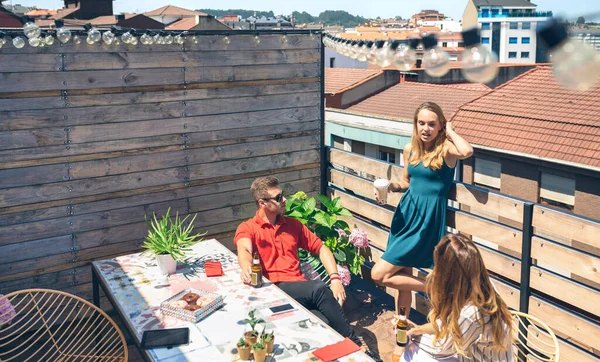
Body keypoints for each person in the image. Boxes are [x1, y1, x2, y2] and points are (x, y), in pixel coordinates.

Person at [234, 176, 382, 362]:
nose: (285, 200)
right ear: (262, 203)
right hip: (275, 290)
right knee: (319, 289)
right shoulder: (248, 227)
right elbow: (244, 249)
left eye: (283, 195)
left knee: (325, 322)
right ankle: (356, 346)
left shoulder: (293, 225)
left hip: (300, 291)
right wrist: (247, 266)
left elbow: (322, 248)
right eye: (278, 198)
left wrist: (335, 279)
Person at [370, 101, 473, 359]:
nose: (426, 128)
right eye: (421, 123)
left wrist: (450, 131)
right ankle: (401, 340)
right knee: (401, 283)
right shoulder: (410, 149)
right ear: (415, 125)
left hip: (427, 221)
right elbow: (406, 182)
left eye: (432, 124)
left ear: (440, 126)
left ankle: (432, 286)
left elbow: (467, 150)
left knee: (379, 274)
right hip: (405, 217)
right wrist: (389, 187)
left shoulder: (447, 150)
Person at [399, 234, 514, 362]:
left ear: (447, 274)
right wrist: (417, 329)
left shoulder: (471, 313)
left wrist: (410, 337)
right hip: (475, 354)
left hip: (467, 356)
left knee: (411, 355)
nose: (434, 271)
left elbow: (440, 350)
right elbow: (447, 326)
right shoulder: (484, 287)